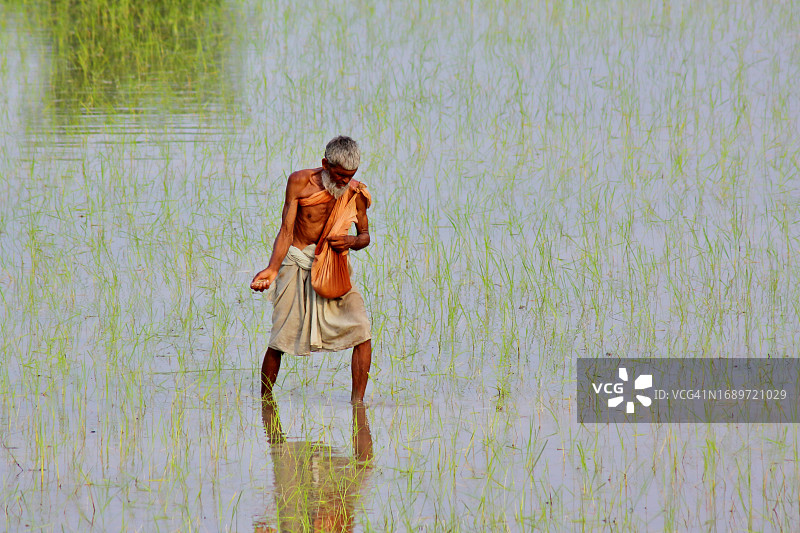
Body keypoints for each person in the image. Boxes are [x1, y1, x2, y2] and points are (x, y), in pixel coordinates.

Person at [251, 136, 372, 403]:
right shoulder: (299, 182)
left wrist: (351, 242)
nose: (343, 182)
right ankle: (265, 403)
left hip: (333, 267)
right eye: (339, 175)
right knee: (279, 339)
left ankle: (358, 405)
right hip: (296, 262)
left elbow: (364, 236)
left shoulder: (355, 192)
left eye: (349, 176)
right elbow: (286, 230)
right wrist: (272, 270)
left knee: (362, 330)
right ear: (325, 164)